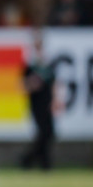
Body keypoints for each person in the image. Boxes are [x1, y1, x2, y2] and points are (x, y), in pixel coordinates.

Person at [20, 34, 62, 170]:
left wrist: (56, 99)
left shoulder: (47, 63)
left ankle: (29, 159)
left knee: (49, 132)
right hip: (36, 103)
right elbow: (23, 86)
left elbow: (54, 82)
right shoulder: (30, 66)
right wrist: (32, 84)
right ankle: (44, 164)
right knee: (43, 132)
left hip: (47, 102)